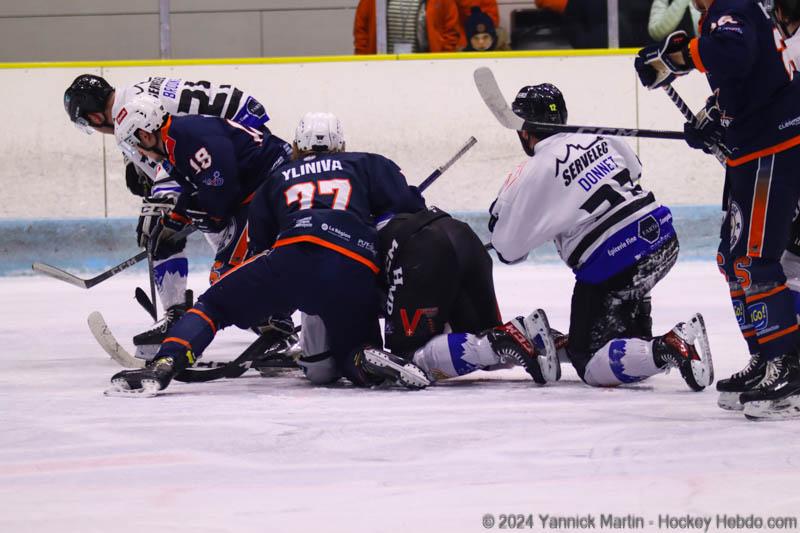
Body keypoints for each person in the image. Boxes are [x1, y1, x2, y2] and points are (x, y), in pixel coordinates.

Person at [106, 111, 431, 395]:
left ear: (297, 146)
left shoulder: (277, 178)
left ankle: (164, 364)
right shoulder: (367, 163)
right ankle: (364, 356)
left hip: (292, 256)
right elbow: (411, 210)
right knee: (351, 352)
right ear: (342, 145)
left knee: (213, 306)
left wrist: (272, 298)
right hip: (353, 264)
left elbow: (260, 243)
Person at [487, 83, 713, 391]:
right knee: (621, 332)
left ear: (524, 132)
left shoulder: (533, 171)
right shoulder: (596, 133)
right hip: (662, 237)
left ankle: (669, 347)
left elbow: (507, 249)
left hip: (617, 262)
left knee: (589, 362)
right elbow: (634, 170)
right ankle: (635, 334)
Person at [634, 0, 800, 420]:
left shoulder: (733, 4)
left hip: (772, 148)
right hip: (752, 149)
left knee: (756, 262)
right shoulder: (728, 11)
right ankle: (765, 356)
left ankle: (788, 366)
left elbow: (733, 53)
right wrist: (714, 116)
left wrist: (677, 58)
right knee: (733, 260)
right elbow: (749, 75)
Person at [63, 74, 274, 355]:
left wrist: (162, 200)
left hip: (239, 151)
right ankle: (251, 314)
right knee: (203, 228)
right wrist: (136, 165)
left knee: (167, 227)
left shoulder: (134, 112)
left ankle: (245, 317)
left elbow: (178, 149)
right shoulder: (133, 99)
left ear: (95, 117)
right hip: (239, 137)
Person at [376, 206, 559, 384]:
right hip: (460, 233)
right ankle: (562, 346)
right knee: (481, 341)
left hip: (420, 251)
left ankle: (503, 339)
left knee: (405, 361)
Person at [354, 0, 462, 54]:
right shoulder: (372, 2)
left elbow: (451, 30)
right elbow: (361, 29)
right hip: (383, 66)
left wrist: (444, 59)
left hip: (426, 66)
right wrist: (364, 59)